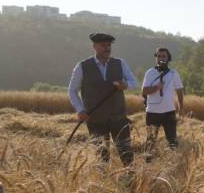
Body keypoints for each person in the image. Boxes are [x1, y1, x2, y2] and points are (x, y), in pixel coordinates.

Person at [68, 33, 138, 166]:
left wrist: (126, 85)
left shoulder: (120, 63)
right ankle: (103, 183)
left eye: (109, 45)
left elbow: (134, 82)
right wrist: (80, 110)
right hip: (95, 119)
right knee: (101, 158)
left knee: (127, 156)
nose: (107, 48)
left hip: (118, 118)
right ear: (94, 46)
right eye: (103, 45)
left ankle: (131, 183)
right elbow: (72, 90)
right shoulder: (82, 66)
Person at [142, 47, 185, 160]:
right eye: (159, 56)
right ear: (156, 57)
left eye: (164, 56)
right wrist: (156, 87)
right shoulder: (150, 73)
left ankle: (174, 163)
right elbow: (144, 91)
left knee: (172, 141)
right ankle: (148, 166)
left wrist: (181, 108)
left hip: (169, 112)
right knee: (150, 142)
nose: (161, 58)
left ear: (168, 58)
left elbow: (179, 91)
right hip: (152, 113)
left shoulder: (173, 73)